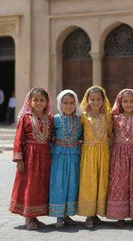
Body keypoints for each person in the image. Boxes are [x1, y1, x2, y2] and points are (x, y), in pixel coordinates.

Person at [9, 87, 53, 230]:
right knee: (30, 185)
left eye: (42, 100)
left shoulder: (50, 119)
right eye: (35, 100)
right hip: (30, 157)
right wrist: (19, 159)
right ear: (30, 101)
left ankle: (35, 216)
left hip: (45, 156)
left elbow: (52, 138)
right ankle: (28, 217)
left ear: (47, 102)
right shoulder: (25, 118)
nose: (39, 103)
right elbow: (18, 139)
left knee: (40, 185)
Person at [107, 89, 133, 227]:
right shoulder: (114, 118)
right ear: (120, 102)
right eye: (125, 101)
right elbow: (110, 135)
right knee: (120, 182)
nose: (128, 104)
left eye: (131, 101)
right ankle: (119, 215)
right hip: (119, 155)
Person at [77, 86, 112, 229]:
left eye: (98, 99)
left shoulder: (108, 116)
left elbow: (111, 134)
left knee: (102, 181)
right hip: (89, 154)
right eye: (92, 99)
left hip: (104, 153)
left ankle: (98, 212)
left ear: (103, 100)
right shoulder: (83, 116)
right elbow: (78, 134)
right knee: (89, 182)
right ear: (87, 100)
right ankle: (89, 215)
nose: (95, 102)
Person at [49, 90, 82, 228]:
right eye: (65, 103)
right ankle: (58, 216)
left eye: (71, 103)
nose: (68, 106)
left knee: (72, 184)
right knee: (59, 184)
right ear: (59, 104)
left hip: (74, 155)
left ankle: (67, 214)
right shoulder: (55, 119)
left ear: (75, 104)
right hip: (59, 156)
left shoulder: (80, 120)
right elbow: (49, 138)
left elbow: (81, 137)